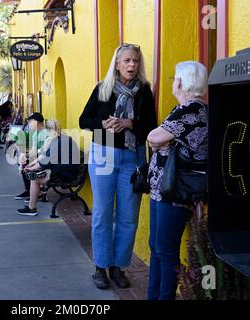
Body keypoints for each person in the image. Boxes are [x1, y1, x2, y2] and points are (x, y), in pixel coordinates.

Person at [79, 43, 157, 290]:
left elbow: (152, 127)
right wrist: (104, 124)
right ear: (117, 63)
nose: (132, 65)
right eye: (127, 61)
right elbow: (84, 120)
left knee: (128, 217)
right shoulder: (103, 89)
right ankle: (100, 267)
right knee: (102, 213)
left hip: (133, 158)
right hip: (103, 154)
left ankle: (118, 267)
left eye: (135, 61)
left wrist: (130, 122)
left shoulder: (144, 91)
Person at [146, 61, 208, 300]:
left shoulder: (192, 110)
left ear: (181, 82)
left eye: (174, 78)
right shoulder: (184, 109)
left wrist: (163, 139)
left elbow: (154, 137)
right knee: (157, 248)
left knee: (165, 250)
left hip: (175, 191)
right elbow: (158, 139)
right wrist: (164, 140)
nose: (173, 82)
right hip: (163, 189)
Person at [17, 119, 80, 216]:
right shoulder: (57, 139)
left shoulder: (61, 141)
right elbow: (44, 155)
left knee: (34, 179)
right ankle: (39, 195)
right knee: (36, 173)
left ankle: (31, 208)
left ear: (51, 130)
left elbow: (47, 160)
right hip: (61, 169)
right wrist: (32, 164)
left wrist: (33, 168)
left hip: (67, 173)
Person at [14, 112, 48, 200]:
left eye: (30, 121)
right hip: (40, 158)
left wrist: (31, 159)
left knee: (28, 164)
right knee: (23, 162)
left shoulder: (46, 133)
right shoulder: (35, 134)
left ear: (36, 122)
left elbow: (46, 151)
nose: (28, 124)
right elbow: (34, 150)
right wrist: (25, 155)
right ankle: (29, 190)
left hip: (48, 159)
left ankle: (37, 191)